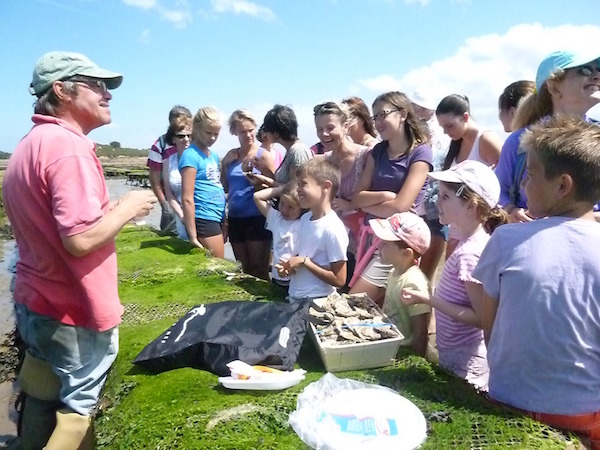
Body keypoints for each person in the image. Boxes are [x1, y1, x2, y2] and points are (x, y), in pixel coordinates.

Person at [3, 51, 157, 449]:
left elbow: (52, 228)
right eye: (98, 85)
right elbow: (79, 240)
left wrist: (107, 211)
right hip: (72, 305)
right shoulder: (68, 147)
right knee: (77, 409)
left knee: (41, 390)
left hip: (36, 299)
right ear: (62, 91)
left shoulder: (30, 144)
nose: (108, 95)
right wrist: (126, 208)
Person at [473, 117, 600, 448]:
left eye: (529, 174)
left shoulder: (506, 240)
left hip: (509, 400)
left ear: (562, 186)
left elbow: (491, 330)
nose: (524, 185)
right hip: (585, 411)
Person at [400, 160, 508, 391]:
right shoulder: (468, 243)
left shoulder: (470, 252)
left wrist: (427, 299)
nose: (437, 202)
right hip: (456, 356)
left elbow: (482, 318)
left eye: (445, 197)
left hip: (466, 366)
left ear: (471, 205)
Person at [494, 50, 600, 223]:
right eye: (585, 70)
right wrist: (511, 210)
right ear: (554, 87)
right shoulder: (520, 141)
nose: (596, 76)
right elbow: (498, 190)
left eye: (598, 70)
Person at [349, 91, 433, 306]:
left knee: (354, 302)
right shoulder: (378, 151)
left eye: (382, 115)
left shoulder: (420, 153)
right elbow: (357, 197)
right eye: (375, 116)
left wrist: (375, 204)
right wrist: (386, 196)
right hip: (370, 238)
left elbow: (402, 206)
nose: (377, 122)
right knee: (378, 307)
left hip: (397, 243)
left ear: (403, 114)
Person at [435, 94, 503, 258]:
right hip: (459, 222)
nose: (445, 132)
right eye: (443, 127)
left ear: (465, 117)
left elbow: (505, 175)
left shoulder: (485, 139)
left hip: (480, 222)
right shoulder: (457, 142)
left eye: (449, 126)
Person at [314, 101, 370, 287]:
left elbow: (377, 194)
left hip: (363, 243)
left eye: (330, 127)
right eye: (319, 129)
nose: (324, 134)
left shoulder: (366, 156)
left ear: (345, 127)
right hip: (334, 245)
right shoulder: (323, 161)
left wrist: (351, 204)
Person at [277, 158, 349, 302]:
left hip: (316, 300)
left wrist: (305, 262)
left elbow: (339, 279)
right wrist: (291, 266)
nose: (298, 189)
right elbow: (307, 254)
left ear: (325, 187)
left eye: (303, 184)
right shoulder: (305, 218)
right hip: (296, 295)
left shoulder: (332, 228)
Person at [221, 110, 274, 280]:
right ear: (235, 132)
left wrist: (258, 181)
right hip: (236, 219)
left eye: (251, 130)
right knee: (244, 271)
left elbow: (277, 187)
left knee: (260, 270)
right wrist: (224, 164)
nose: (248, 135)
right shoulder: (232, 156)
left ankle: (266, 304)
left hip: (257, 218)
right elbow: (225, 186)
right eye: (243, 131)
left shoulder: (263, 156)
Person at [369, 212, 431, 357]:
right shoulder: (393, 273)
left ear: (406, 254)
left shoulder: (413, 283)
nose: (378, 246)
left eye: (385, 244)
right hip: (390, 343)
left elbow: (421, 331)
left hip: (403, 351)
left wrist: (416, 363)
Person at [410, 91, 450, 283]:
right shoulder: (410, 155)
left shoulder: (442, 150)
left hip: (435, 219)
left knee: (425, 278)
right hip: (417, 218)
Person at [180, 107, 226, 257]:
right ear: (197, 128)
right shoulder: (190, 155)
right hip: (204, 217)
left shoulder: (213, 156)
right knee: (220, 266)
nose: (212, 138)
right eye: (208, 133)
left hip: (216, 215)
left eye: (216, 134)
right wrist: (192, 235)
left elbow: (216, 185)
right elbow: (187, 198)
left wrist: (224, 220)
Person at [147, 105, 192, 234]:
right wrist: (164, 204)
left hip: (193, 201)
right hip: (171, 200)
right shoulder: (159, 145)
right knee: (171, 236)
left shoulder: (194, 141)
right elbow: (154, 178)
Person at [253, 181, 304, 295]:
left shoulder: (304, 222)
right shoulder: (276, 218)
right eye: (282, 203)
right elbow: (257, 197)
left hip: (296, 278)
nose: (284, 210)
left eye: (291, 207)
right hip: (277, 277)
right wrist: (283, 189)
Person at [252, 104, 313, 187]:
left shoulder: (297, 151)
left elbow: (295, 191)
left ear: (276, 134)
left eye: (267, 130)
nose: (265, 134)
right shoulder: (290, 151)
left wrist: (267, 181)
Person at [163, 115, 192, 239]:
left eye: (189, 135)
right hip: (180, 215)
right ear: (173, 139)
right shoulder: (167, 162)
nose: (186, 139)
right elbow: (169, 194)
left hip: (202, 214)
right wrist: (181, 216)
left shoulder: (202, 158)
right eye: (181, 136)